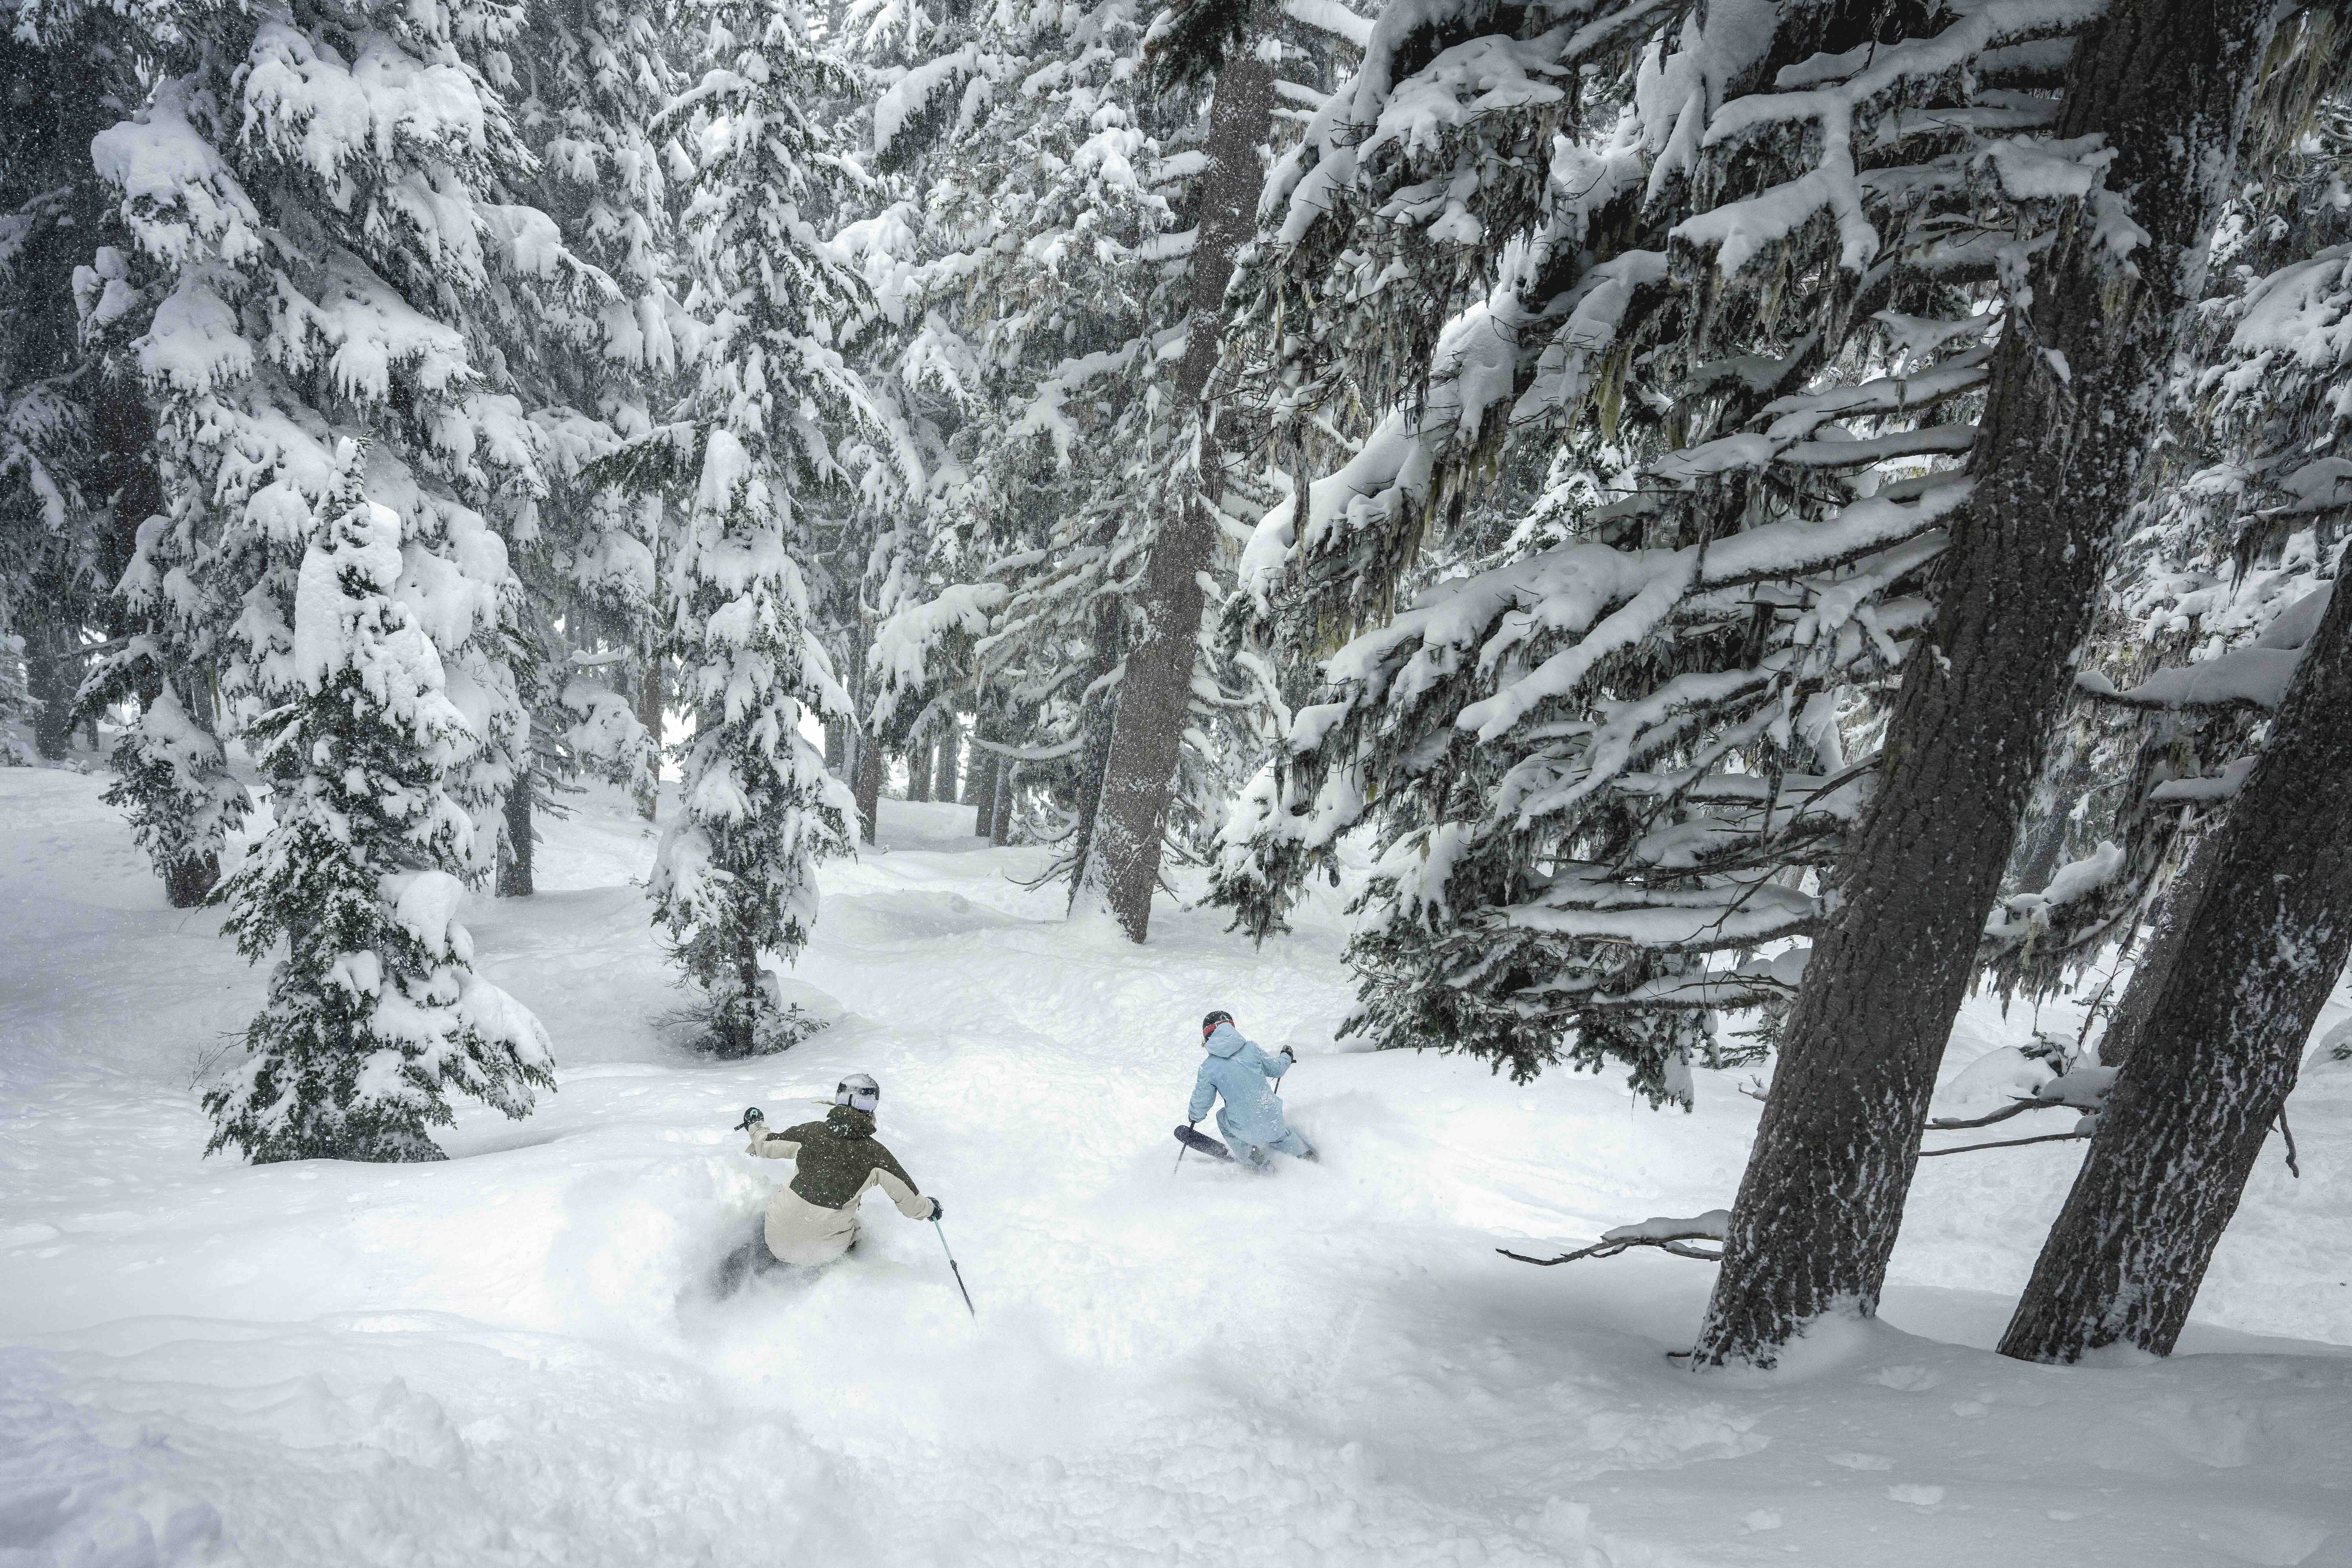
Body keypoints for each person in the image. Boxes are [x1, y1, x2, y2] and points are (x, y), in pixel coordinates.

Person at [737, 1074, 940, 1268]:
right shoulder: (877, 1155)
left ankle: (766, 1250)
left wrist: (756, 1125)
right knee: (857, 1228)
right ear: (871, 1109)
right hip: (824, 1253)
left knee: (784, 1205)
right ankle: (839, 1270)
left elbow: (765, 1145)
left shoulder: (811, 1132)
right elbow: (913, 1206)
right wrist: (931, 1209)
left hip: (775, 1236)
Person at [1187, 1010, 1316, 1172]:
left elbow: (1201, 1102)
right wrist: (1287, 1057)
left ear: (1207, 1037)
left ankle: (1255, 1160)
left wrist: (1195, 1117)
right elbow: (1277, 1069)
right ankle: (1308, 1157)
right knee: (1281, 1136)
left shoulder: (1208, 1068)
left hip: (1243, 1126)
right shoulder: (1251, 1049)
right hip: (1272, 1117)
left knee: (1222, 1118)